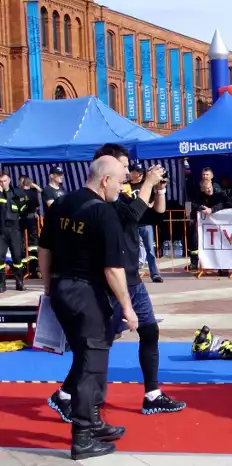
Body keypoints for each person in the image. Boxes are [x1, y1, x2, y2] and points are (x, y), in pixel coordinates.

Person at [47, 144, 186, 426]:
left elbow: (153, 215)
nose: (127, 173)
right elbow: (132, 216)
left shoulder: (119, 197)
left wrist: (157, 189)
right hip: (110, 283)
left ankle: (152, 393)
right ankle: (70, 400)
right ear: (105, 172)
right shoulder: (102, 205)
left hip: (132, 279)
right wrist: (146, 183)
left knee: (149, 332)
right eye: (122, 168)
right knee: (97, 347)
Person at [38, 156, 138, 460]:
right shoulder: (103, 213)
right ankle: (82, 436)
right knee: (89, 362)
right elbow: (112, 268)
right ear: (105, 180)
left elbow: (44, 249)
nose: (122, 188)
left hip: (62, 288)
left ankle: (93, 421)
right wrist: (127, 307)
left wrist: (48, 288)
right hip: (87, 293)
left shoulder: (63, 205)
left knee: (90, 354)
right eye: (121, 181)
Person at [0, 172, 30, 292]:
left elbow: (25, 209)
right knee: (0, 257)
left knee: (17, 256)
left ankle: (20, 282)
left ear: (10, 180)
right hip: (1, 229)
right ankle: (1, 284)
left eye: (5, 181)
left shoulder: (17, 193)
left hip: (14, 228)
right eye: (0, 181)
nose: (3, 183)